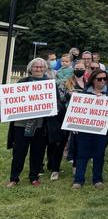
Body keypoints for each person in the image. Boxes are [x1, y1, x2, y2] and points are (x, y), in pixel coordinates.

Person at [6, 58, 52, 187]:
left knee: (38, 152)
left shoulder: (49, 84)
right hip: (21, 124)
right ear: (30, 69)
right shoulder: (22, 82)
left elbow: (57, 102)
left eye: (41, 67)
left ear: (45, 69)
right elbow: (13, 100)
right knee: (19, 151)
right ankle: (14, 178)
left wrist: (53, 108)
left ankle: (34, 177)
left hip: (40, 125)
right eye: (36, 67)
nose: (38, 69)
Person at [71, 69, 108, 189]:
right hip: (85, 129)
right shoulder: (85, 93)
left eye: (104, 79)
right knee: (82, 154)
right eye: (99, 79)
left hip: (103, 129)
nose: (102, 81)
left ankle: (97, 179)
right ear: (93, 80)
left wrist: (104, 99)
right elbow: (77, 110)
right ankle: (78, 180)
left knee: (99, 154)